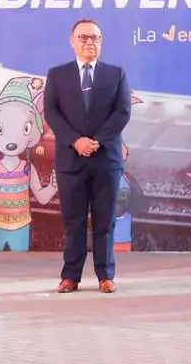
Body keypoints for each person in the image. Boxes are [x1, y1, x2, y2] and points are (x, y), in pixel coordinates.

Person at [43, 19, 132, 294]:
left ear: (101, 41)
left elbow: (123, 112)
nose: (89, 42)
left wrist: (96, 142)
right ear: (72, 41)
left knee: (105, 221)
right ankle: (70, 276)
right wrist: (76, 141)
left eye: (94, 37)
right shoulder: (57, 75)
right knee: (74, 222)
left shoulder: (116, 74)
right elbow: (52, 113)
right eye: (83, 37)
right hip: (71, 161)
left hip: (106, 160)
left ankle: (106, 275)